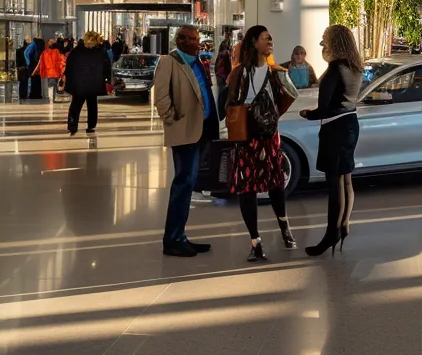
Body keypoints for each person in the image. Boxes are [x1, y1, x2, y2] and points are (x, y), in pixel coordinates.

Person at [223, 25, 300, 262]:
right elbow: (230, 105)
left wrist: (270, 115)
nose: (270, 42)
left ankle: (284, 226)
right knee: (247, 189)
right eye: (266, 39)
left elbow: (287, 98)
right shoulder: (239, 73)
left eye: (271, 39)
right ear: (253, 42)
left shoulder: (277, 72)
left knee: (275, 183)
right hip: (247, 138)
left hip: (268, 137)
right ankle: (255, 241)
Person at [153, 25, 217, 257]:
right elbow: (160, 95)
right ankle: (172, 240)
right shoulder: (169, 61)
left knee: (189, 184)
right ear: (180, 40)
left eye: (197, 39)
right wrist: (172, 119)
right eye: (190, 39)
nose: (196, 43)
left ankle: (180, 235)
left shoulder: (197, 61)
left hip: (200, 130)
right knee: (183, 184)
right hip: (185, 131)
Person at [300, 24, 363, 256]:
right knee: (346, 179)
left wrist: (308, 114)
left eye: (324, 40)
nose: (321, 44)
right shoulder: (355, 66)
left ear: (335, 42)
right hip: (350, 124)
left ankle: (331, 233)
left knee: (334, 183)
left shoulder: (335, 69)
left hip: (335, 128)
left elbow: (325, 108)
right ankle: (343, 226)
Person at [63, 31, 113, 135]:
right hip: (94, 83)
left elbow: (69, 66)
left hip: (78, 84)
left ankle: (72, 125)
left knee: (75, 105)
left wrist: (68, 77)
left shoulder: (76, 51)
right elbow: (107, 67)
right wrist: (106, 79)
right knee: (92, 105)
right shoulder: (100, 52)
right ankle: (91, 125)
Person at [36, 37, 67, 104]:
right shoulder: (57, 52)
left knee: (51, 85)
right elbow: (62, 61)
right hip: (56, 71)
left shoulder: (44, 52)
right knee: (54, 84)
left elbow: (41, 63)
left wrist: (39, 71)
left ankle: (51, 98)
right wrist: (62, 71)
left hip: (49, 72)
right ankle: (53, 98)